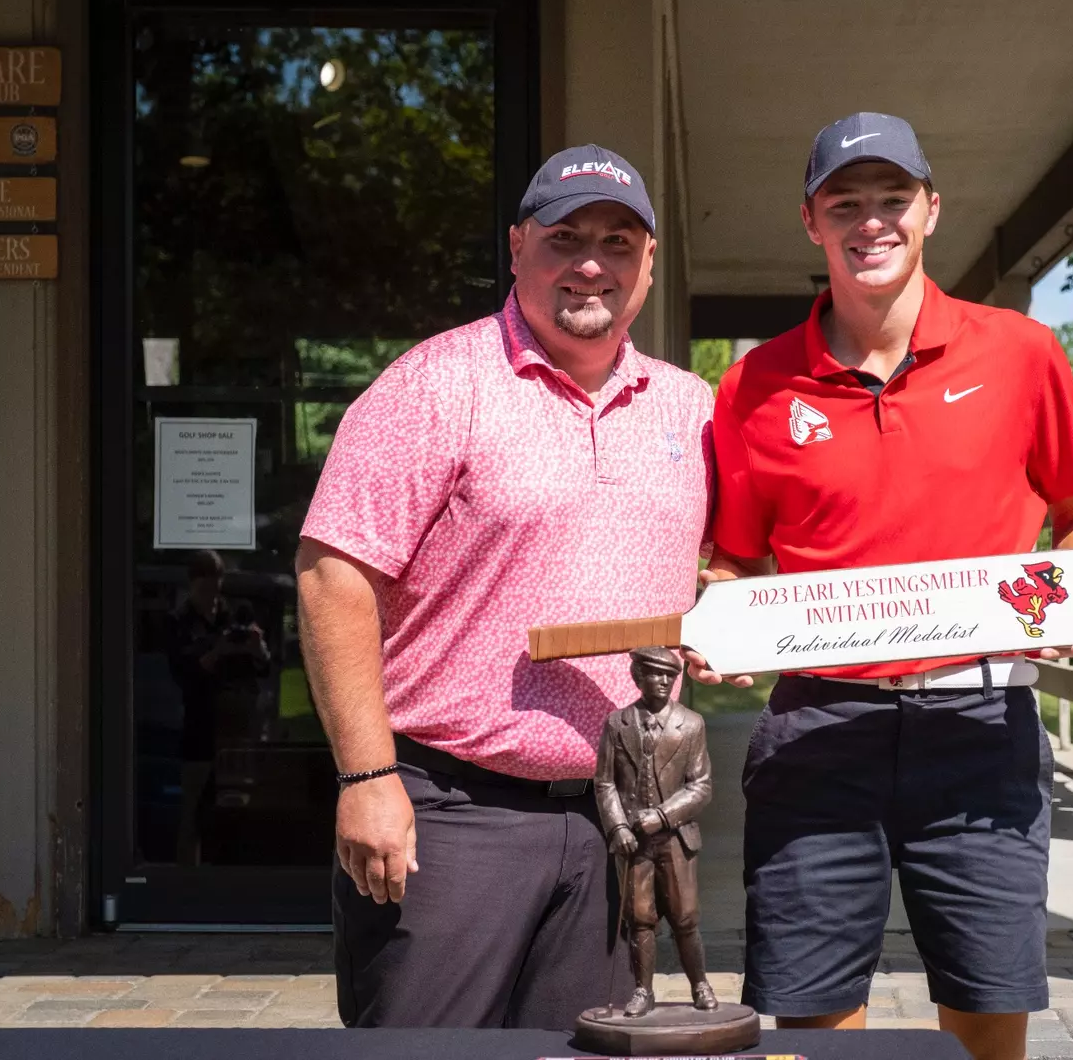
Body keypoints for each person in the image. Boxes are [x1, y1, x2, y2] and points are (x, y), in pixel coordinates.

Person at [689, 112, 1073, 1060]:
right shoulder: (753, 387)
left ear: (932, 209)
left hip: (980, 730)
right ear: (811, 220)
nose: (871, 221)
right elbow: (732, 560)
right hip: (818, 730)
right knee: (814, 1034)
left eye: (894, 198)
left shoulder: (1019, 352)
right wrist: (719, 625)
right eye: (844, 202)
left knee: (985, 1027)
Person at [296, 144, 715, 1029]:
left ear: (648, 266)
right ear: (518, 248)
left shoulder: (692, 409)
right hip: (450, 817)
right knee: (419, 1055)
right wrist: (366, 775)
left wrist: (729, 617)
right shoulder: (436, 385)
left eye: (617, 240)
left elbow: (716, 568)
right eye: (565, 239)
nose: (591, 262)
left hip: (616, 822)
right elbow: (335, 577)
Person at [594, 646, 716, 1018]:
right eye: (655, 674)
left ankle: (700, 983)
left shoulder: (691, 724)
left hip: (675, 838)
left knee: (684, 916)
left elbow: (701, 786)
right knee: (640, 916)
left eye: (670, 676)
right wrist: (617, 827)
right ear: (637, 677)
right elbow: (604, 783)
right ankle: (642, 990)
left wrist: (663, 816)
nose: (663, 682)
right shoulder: (618, 724)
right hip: (634, 842)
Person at [166, 548, 271, 865]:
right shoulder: (180, 622)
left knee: (237, 808)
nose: (212, 589)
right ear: (192, 582)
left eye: (216, 581)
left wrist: (257, 647)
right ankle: (187, 878)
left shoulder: (235, 616)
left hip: (237, 728)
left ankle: (232, 875)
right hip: (200, 726)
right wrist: (218, 651)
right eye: (205, 582)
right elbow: (183, 673)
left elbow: (265, 668)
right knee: (193, 810)